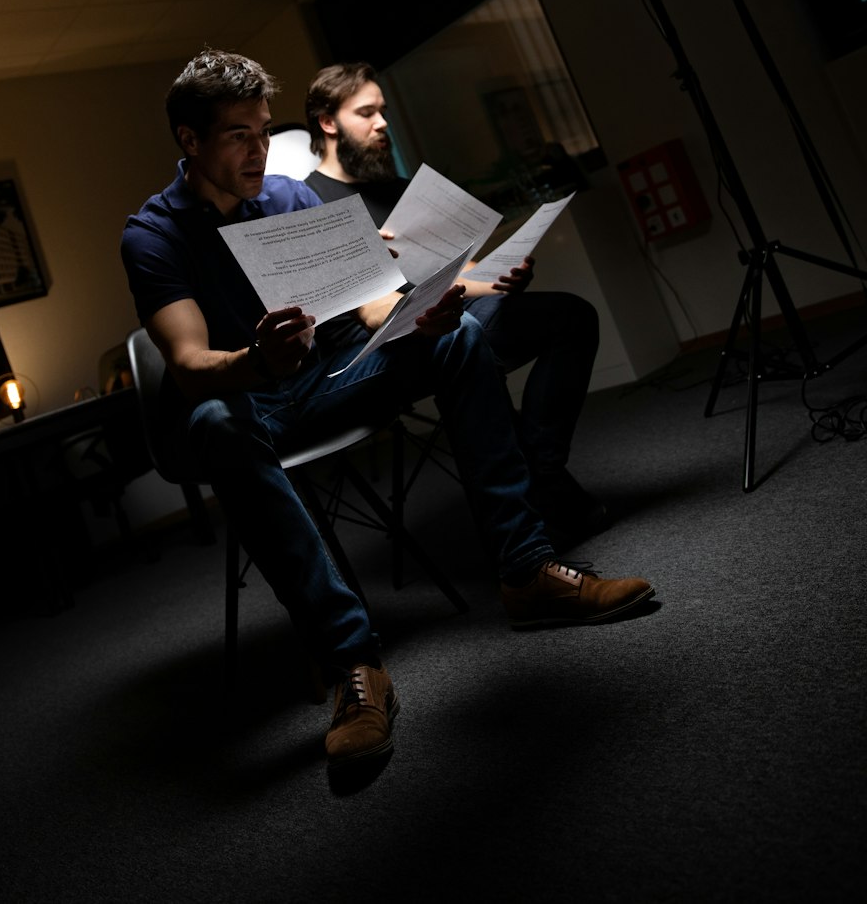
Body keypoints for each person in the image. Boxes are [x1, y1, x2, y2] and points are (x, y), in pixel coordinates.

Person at [121, 49, 654, 778]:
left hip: (326, 377)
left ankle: (526, 572)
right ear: (190, 141)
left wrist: (434, 306)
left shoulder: (288, 199)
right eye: (236, 136)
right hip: (249, 400)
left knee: (459, 337)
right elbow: (186, 364)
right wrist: (255, 360)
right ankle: (352, 665)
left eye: (261, 130)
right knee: (214, 425)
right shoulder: (152, 234)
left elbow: (370, 305)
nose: (257, 150)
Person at [304, 61, 606, 548]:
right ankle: (540, 489)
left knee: (572, 316)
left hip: (447, 314)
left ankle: (541, 470)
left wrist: (500, 277)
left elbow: (456, 273)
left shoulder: (398, 189)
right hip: (379, 348)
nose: (383, 123)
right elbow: (367, 312)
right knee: (465, 345)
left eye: (383, 111)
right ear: (328, 122)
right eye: (367, 113)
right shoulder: (308, 202)